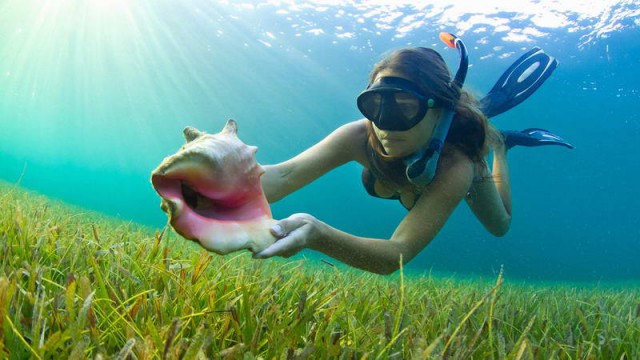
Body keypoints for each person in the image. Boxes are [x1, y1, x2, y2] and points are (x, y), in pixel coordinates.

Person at [253, 33, 572, 275]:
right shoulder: (359, 134)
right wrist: (215, 166)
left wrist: (318, 234)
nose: (385, 125)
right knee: (391, 187)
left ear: (439, 111)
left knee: (499, 225)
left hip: (452, 162)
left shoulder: (457, 165)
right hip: (398, 180)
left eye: (404, 107)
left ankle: (502, 145)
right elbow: (282, 176)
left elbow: (397, 254)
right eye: (376, 105)